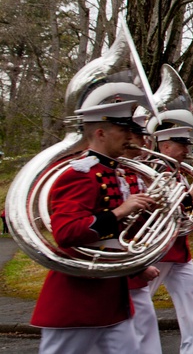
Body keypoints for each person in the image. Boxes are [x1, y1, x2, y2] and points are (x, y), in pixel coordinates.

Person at [31, 94, 157, 353]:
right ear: (100, 132)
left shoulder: (116, 171)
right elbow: (66, 233)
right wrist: (120, 211)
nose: (129, 136)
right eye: (122, 130)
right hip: (78, 299)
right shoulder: (80, 174)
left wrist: (135, 267)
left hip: (111, 296)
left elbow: (113, 239)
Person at [148, 116, 193, 354]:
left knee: (192, 289)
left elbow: (179, 209)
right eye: (182, 145)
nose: (187, 151)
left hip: (176, 248)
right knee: (138, 299)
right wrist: (191, 197)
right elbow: (155, 207)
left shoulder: (174, 170)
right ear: (165, 146)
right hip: (159, 247)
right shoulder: (155, 169)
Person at [121, 109, 164, 354]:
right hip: (121, 267)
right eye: (139, 136)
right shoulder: (95, 172)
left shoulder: (137, 172)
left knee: (143, 326)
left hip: (134, 263)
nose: (146, 142)